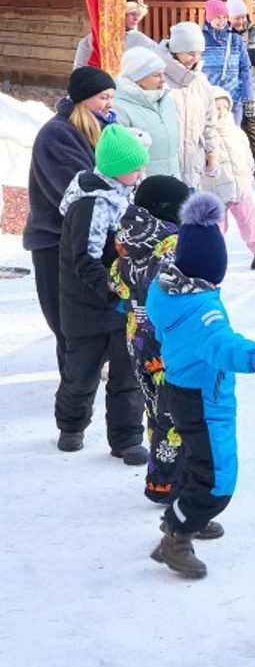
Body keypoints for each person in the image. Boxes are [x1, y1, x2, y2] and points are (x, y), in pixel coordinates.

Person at [146, 192, 255, 578]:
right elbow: (223, 345)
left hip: (180, 388)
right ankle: (177, 535)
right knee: (217, 477)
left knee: (195, 459)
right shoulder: (203, 309)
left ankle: (185, 515)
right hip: (204, 396)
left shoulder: (165, 289)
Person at [55, 123, 151, 462]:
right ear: (115, 169)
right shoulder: (91, 204)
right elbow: (84, 259)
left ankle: (127, 438)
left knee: (128, 374)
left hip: (122, 305)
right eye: (135, 168)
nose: (141, 174)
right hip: (85, 306)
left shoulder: (125, 194)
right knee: (81, 374)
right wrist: (111, 290)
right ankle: (71, 426)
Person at [24, 66, 115, 382]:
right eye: (102, 97)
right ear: (82, 99)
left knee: (92, 320)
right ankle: (74, 394)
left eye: (111, 97)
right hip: (55, 241)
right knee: (68, 324)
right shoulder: (57, 135)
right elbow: (76, 191)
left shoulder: (103, 129)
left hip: (88, 238)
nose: (109, 104)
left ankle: (85, 380)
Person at [107, 174, 193, 503]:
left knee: (156, 409)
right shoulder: (172, 244)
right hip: (169, 342)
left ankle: (161, 480)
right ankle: (170, 483)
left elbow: (115, 281)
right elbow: (182, 288)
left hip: (138, 341)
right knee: (176, 412)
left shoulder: (128, 239)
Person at [206, 87, 255, 269]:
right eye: (215, 108)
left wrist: (249, 171)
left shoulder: (236, 132)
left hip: (240, 189)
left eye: (224, 108)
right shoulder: (205, 136)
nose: (220, 112)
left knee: (248, 223)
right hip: (215, 189)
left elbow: (247, 155)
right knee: (216, 228)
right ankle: (213, 257)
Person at [160, 22, 218, 187]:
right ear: (176, 50)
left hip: (193, 167)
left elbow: (209, 120)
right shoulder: (159, 78)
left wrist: (212, 153)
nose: (196, 59)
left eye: (199, 53)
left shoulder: (201, 81)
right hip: (165, 169)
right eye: (191, 53)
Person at [112, 46, 181, 179]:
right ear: (137, 78)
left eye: (163, 74)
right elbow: (122, 155)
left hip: (173, 178)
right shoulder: (119, 107)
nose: (163, 80)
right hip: (143, 183)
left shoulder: (165, 98)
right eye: (156, 75)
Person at [227, 0, 255, 158]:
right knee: (230, 124)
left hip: (249, 86)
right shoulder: (224, 35)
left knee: (251, 123)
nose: (240, 21)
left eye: (243, 17)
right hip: (229, 86)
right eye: (236, 18)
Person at [200, 0, 254, 127]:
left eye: (224, 17)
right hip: (207, 100)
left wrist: (248, 98)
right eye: (217, 17)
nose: (222, 21)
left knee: (232, 135)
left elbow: (245, 69)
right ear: (209, 17)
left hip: (233, 100)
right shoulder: (200, 39)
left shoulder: (235, 40)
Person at [73, 0, 154, 69]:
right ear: (120, 14)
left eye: (138, 15)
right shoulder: (89, 41)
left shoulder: (143, 41)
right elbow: (79, 72)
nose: (136, 19)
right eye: (132, 14)